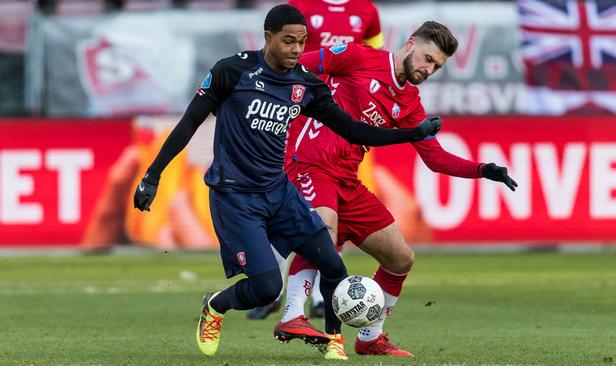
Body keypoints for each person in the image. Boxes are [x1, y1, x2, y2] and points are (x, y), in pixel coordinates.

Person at [132, 4, 442, 360]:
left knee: (334, 266)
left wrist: (412, 133)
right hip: (235, 196)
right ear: (268, 38)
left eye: (302, 42)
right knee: (266, 288)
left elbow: (354, 129)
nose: (296, 50)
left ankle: (333, 343)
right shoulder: (232, 71)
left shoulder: (304, 84)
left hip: (279, 194)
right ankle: (215, 306)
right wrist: (152, 176)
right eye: (289, 41)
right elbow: (187, 125)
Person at [274, 21, 518, 358]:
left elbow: (435, 158)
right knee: (322, 235)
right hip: (309, 163)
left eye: (436, 66)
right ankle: (293, 315)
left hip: (347, 179)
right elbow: (299, 65)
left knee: (401, 258)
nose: (429, 69)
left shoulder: (410, 104)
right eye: (427, 59)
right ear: (411, 43)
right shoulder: (359, 57)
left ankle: (370, 337)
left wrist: (483, 170)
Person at [247, 0, 384, 321]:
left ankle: (324, 297)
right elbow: (277, 55)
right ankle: (272, 289)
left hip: (340, 117)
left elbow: (375, 58)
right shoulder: (299, 7)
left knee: (330, 206)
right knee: (282, 198)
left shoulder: (366, 10)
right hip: (297, 108)